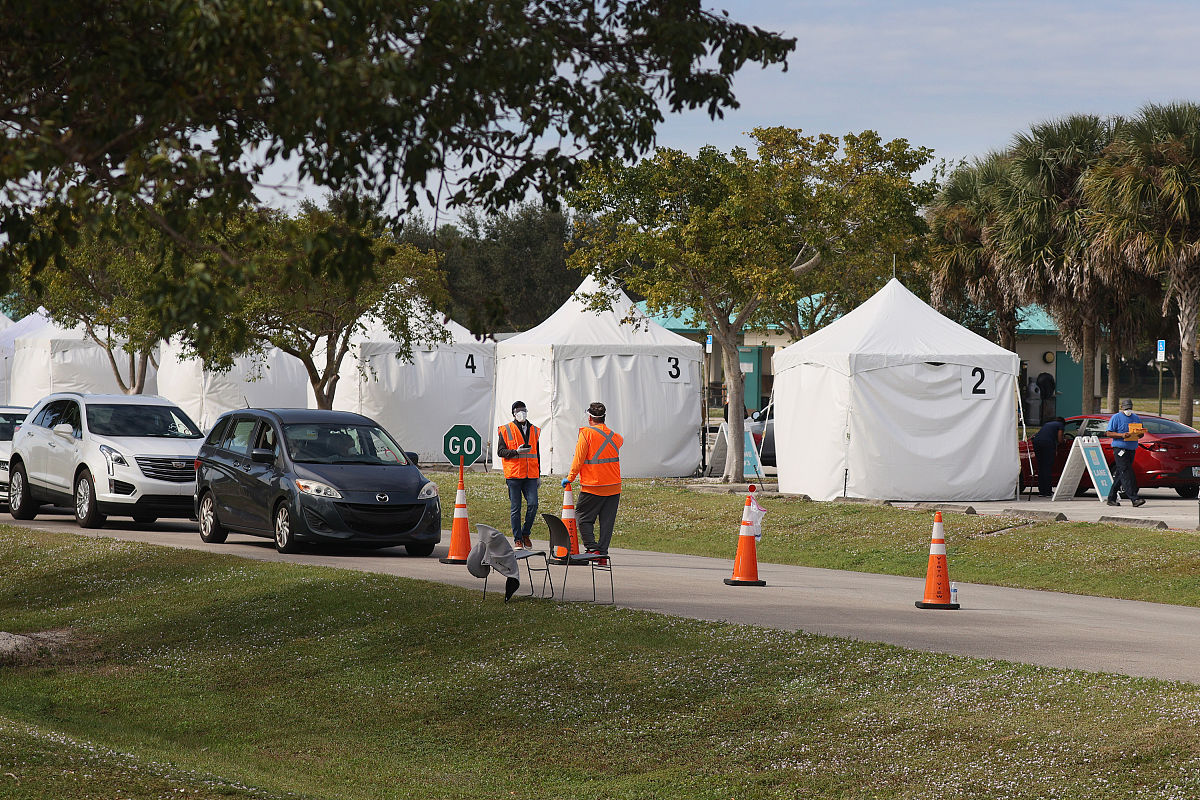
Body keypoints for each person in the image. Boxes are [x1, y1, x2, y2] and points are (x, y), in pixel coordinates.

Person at [562, 401, 623, 556]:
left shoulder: (586, 434)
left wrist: (570, 478)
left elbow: (578, 459)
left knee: (583, 517)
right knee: (606, 524)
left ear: (590, 417)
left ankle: (592, 547)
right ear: (604, 417)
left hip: (593, 486)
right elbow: (619, 442)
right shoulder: (615, 437)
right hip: (614, 487)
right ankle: (602, 554)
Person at [497, 401, 540, 549]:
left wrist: (539, 474)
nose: (522, 413)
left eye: (524, 410)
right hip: (514, 475)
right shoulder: (506, 430)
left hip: (530, 475)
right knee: (516, 508)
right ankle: (518, 539)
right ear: (514, 413)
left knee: (533, 504)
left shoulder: (534, 430)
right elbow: (500, 452)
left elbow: (537, 453)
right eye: (519, 411)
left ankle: (525, 533)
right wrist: (516, 452)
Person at [1105, 398, 1145, 508]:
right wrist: (1122, 435)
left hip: (1131, 449)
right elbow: (1108, 433)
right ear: (1122, 408)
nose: (1128, 410)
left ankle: (1111, 498)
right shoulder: (1116, 417)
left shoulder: (1135, 418)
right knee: (1127, 473)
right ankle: (1134, 498)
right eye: (1126, 408)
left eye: (1130, 408)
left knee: (1120, 474)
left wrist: (1140, 434)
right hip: (1120, 449)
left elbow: (1140, 433)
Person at [1030, 416, 1066, 496]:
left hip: (1037, 442)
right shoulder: (1060, 425)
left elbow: (1037, 434)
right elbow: (1060, 439)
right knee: (1047, 467)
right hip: (1047, 444)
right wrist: (1064, 440)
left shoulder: (1047, 424)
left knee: (1041, 467)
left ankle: (1041, 491)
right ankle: (1047, 491)